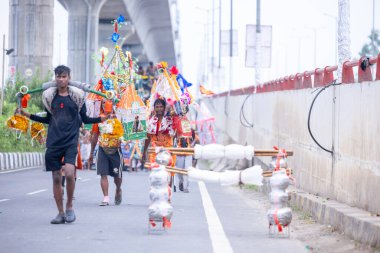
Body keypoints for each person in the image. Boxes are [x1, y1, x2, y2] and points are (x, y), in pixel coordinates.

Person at [18, 65, 108, 224]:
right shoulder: (50, 97)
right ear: (55, 78)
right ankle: (60, 213)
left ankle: (69, 207)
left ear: (69, 78)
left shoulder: (77, 98)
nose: (61, 79)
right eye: (58, 76)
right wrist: (28, 115)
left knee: (70, 171)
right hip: (53, 142)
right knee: (56, 179)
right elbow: (47, 119)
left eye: (64, 76)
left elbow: (85, 120)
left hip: (70, 141)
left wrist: (101, 118)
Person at [88, 111, 123, 206]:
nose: (106, 104)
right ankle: (106, 197)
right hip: (102, 149)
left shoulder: (120, 116)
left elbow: (126, 133)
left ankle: (118, 189)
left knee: (117, 177)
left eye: (109, 102)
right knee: (103, 174)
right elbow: (95, 136)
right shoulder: (99, 119)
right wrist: (91, 153)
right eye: (103, 102)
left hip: (116, 150)